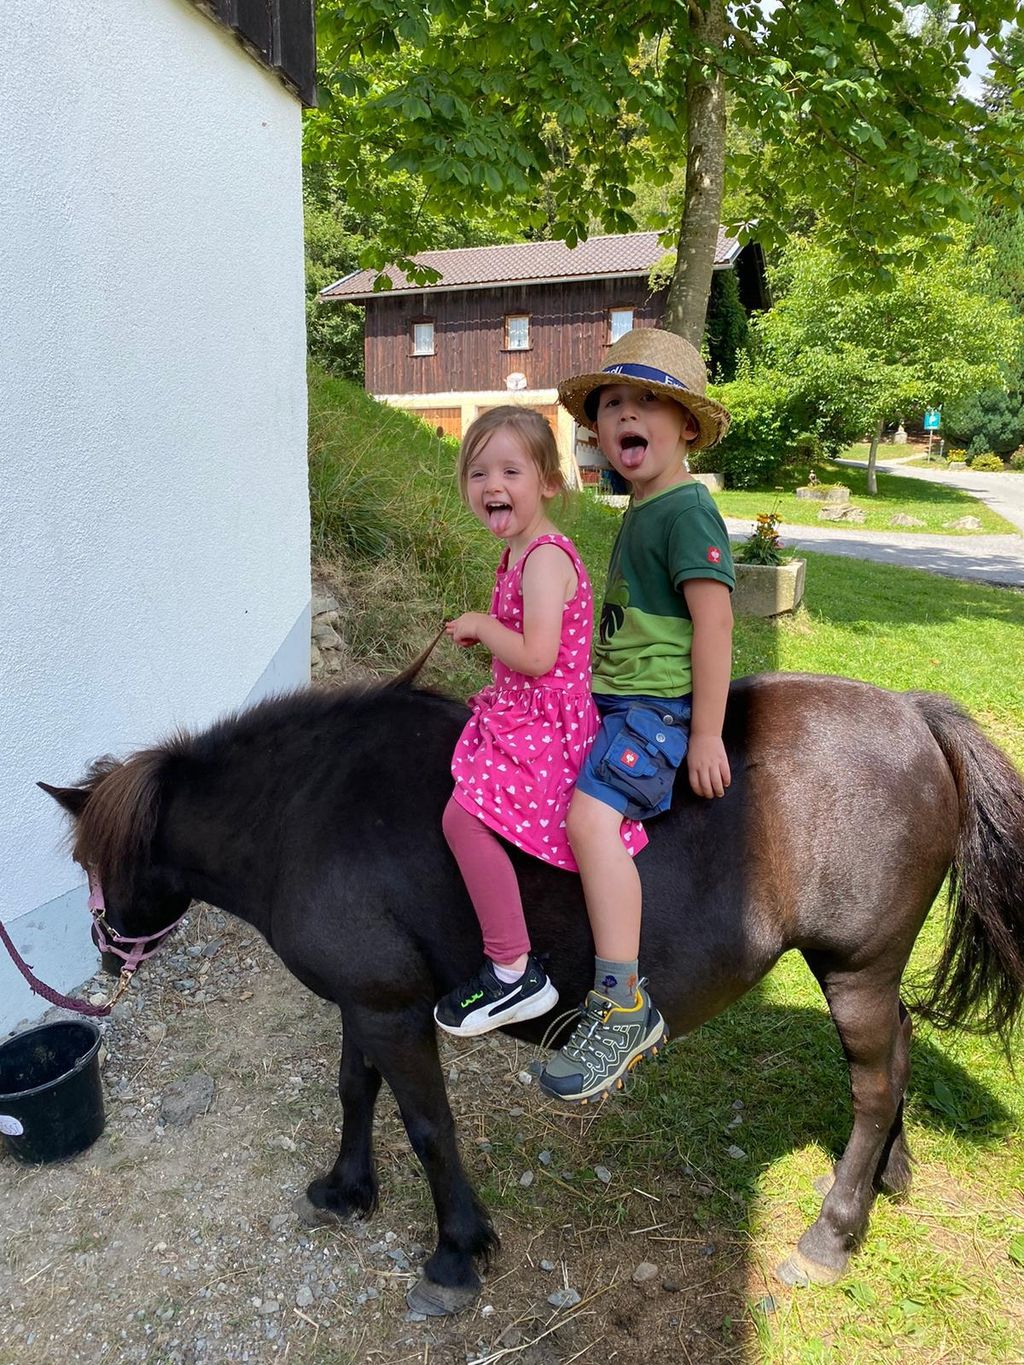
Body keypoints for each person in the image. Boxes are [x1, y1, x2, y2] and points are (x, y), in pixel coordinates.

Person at [538, 328, 735, 1103]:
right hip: (616, 698)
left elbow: (714, 623)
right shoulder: (645, 507)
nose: (626, 414)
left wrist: (708, 731)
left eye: (648, 400)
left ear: (685, 426)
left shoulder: (686, 510)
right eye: (613, 403)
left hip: (654, 712)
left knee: (590, 821)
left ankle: (623, 1001)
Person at [434, 407, 644, 1037]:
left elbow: (538, 655)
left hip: (549, 727)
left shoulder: (544, 559)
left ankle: (512, 970)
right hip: (524, 711)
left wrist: (481, 625)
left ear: (549, 482)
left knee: (462, 817)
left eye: (509, 470)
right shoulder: (518, 553)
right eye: (477, 473)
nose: (491, 485)